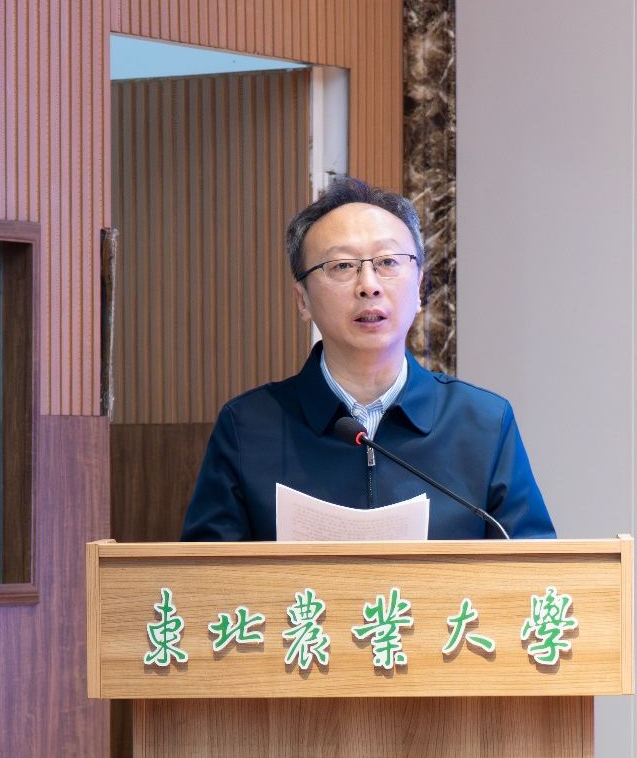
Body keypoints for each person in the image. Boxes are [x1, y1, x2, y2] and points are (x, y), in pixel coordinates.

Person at [180, 177, 555, 540]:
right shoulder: (247, 428)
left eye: (388, 262)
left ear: (419, 287)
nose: (369, 285)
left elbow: (535, 569)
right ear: (303, 300)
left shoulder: (483, 423)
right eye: (342, 266)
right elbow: (205, 577)